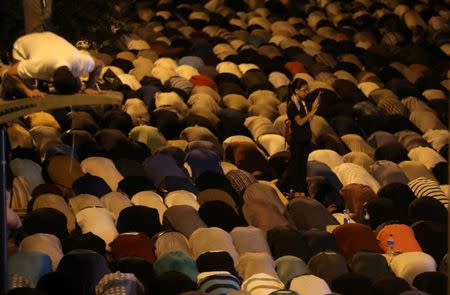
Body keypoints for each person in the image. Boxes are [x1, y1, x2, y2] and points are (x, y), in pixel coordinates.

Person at [2, 32, 103, 98]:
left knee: (76, 87)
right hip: (24, 43)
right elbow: (11, 74)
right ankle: (3, 79)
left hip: (50, 39)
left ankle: (38, 87)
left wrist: (90, 87)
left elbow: (99, 64)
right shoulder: (38, 65)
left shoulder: (79, 62)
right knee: (20, 89)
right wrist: (28, 91)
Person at [278, 78, 320, 196]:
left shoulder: (303, 103)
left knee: (302, 166)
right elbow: (300, 122)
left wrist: (313, 108)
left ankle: (301, 190)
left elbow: (309, 119)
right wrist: (313, 110)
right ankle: (295, 190)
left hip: (305, 138)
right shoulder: (292, 105)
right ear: (296, 91)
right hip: (297, 140)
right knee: (296, 166)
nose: (307, 92)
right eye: (304, 90)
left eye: (307, 90)